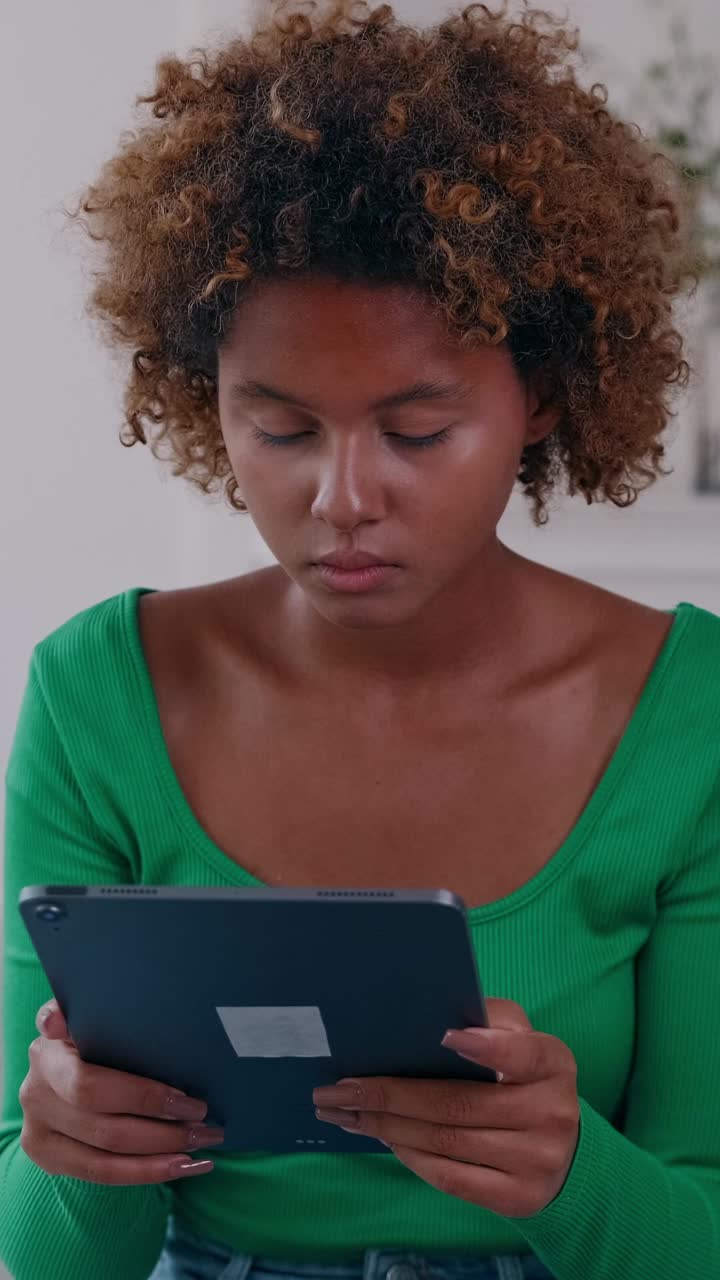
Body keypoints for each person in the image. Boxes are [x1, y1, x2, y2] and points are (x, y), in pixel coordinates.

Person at [2, 0, 719, 1277]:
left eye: (418, 428)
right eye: (279, 429)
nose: (340, 498)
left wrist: (573, 1177)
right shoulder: (97, 693)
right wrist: (73, 1158)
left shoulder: (692, 710)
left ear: (542, 394)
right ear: (201, 398)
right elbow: (43, 1252)